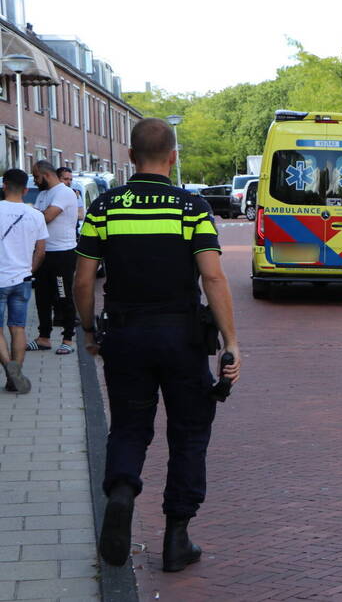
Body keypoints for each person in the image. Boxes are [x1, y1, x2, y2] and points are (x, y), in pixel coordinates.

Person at [73, 118, 241, 572]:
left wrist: (89, 331)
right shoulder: (190, 207)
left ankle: (123, 491)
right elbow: (212, 275)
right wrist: (231, 341)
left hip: (125, 336)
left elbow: (84, 278)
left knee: (128, 427)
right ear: (173, 157)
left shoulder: (106, 207)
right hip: (181, 337)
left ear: (130, 157)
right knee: (188, 433)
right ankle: (176, 538)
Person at [0, 169, 48, 394]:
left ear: (4, 186)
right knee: (18, 328)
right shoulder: (36, 215)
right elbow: (41, 251)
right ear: (26, 190)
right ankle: (15, 375)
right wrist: (29, 270)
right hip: (23, 279)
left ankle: (10, 371)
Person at [29, 161, 80, 355]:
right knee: (42, 298)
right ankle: (43, 338)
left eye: (36, 176)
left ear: (46, 174)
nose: (35, 180)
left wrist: (29, 214)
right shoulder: (43, 194)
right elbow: (37, 218)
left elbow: (46, 217)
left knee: (63, 295)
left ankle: (68, 339)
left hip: (62, 254)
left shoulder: (63, 192)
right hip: (44, 253)